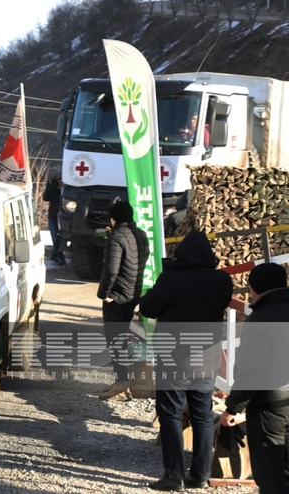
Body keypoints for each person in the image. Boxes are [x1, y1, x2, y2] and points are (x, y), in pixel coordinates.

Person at [139, 231, 233, 491]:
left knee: (169, 413)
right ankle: (201, 475)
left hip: (174, 358)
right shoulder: (221, 281)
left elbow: (149, 308)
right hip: (207, 358)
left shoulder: (170, 278)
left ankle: (173, 476)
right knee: (203, 415)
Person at [220, 263, 289, 494]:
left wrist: (233, 408)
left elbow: (251, 370)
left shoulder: (261, 318)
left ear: (255, 288)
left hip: (270, 405)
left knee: (271, 471)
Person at [96, 201, 149, 402]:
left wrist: (104, 294)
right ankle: (122, 381)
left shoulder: (116, 237)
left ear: (113, 218)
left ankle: (122, 384)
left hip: (117, 296)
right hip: (133, 292)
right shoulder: (141, 234)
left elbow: (111, 270)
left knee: (115, 340)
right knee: (122, 339)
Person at [42, 176, 65, 266]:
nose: (60, 184)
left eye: (61, 182)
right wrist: (50, 187)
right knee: (55, 239)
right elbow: (46, 198)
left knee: (61, 239)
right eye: (59, 182)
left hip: (64, 217)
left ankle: (57, 256)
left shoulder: (67, 191)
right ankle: (57, 256)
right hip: (53, 217)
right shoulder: (54, 190)